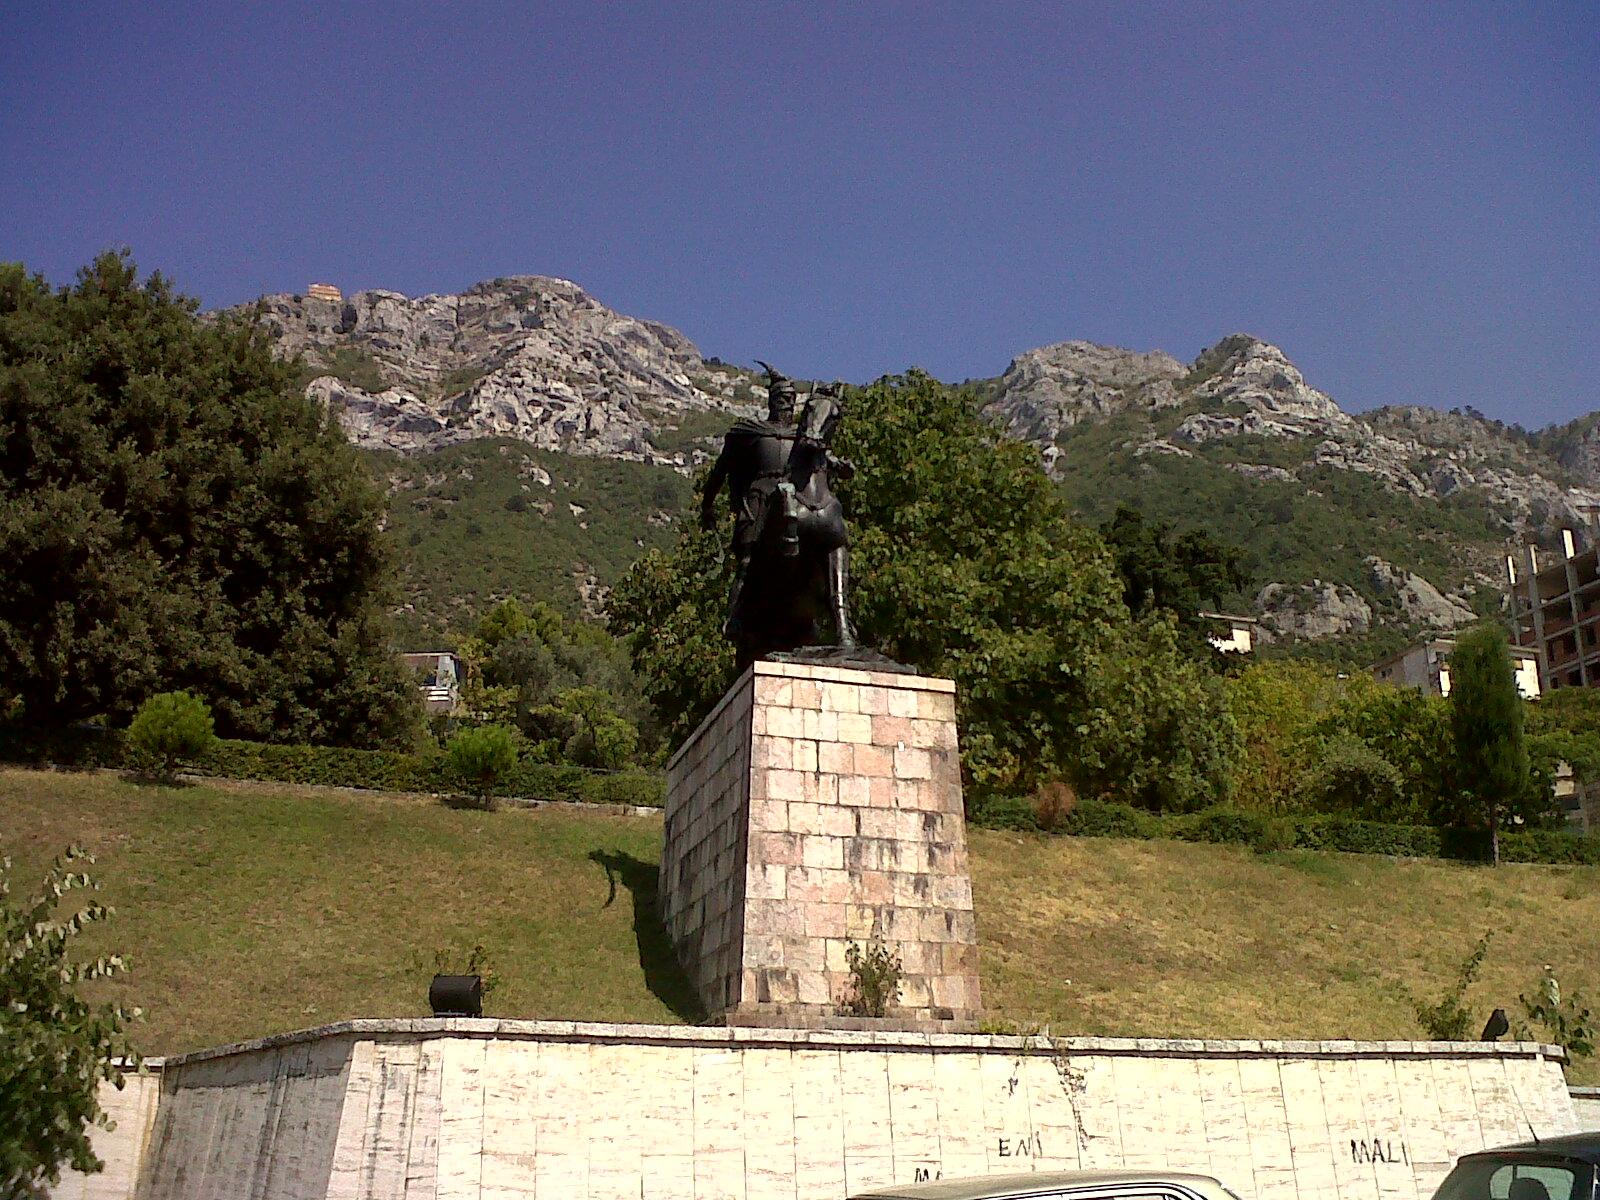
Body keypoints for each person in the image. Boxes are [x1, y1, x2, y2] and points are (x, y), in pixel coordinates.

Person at [699, 362, 799, 641]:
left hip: (795, 498)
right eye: (781, 399)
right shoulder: (751, 431)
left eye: (791, 400)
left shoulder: (802, 436)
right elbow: (721, 469)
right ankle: (735, 617)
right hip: (760, 499)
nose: (786, 405)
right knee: (747, 561)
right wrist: (708, 505)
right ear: (771, 401)